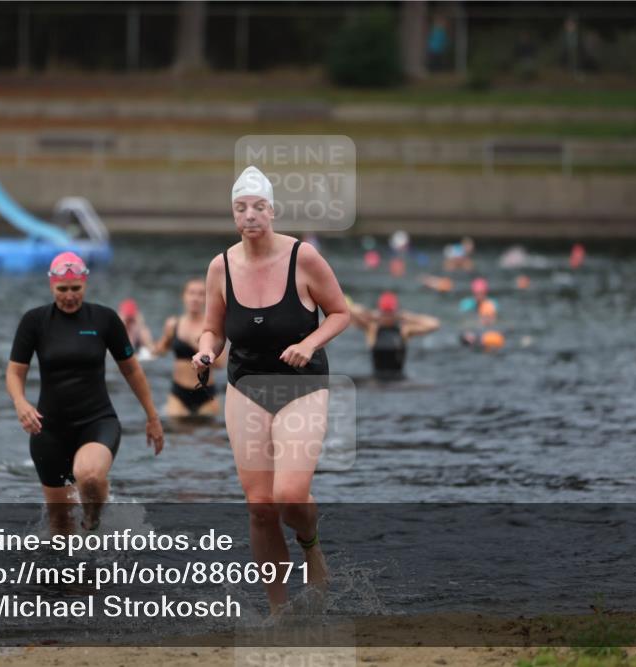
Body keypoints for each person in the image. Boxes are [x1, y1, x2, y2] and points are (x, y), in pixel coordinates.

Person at [194, 166, 350, 614]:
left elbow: (340, 313)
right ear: (233, 214)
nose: (250, 216)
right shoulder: (220, 266)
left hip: (301, 386)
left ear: (272, 211)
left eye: (258, 207)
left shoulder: (303, 257)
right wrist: (206, 352)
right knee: (260, 505)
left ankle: (311, 546)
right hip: (246, 386)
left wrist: (308, 343)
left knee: (290, 494)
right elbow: (212, 329)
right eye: (241, 209)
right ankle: (279, 612)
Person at [6, 252, 164, 533]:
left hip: (97, 421)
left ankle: (93, 522)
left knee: (88, 476)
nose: (69, 296)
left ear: (85, 285)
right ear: (51, 286)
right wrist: (20, 403)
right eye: (62, 289)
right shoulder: (34, 321)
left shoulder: (104, 319)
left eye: (75, 289)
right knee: (60, 524)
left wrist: (152, 416)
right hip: (48, 430)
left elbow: (132, 371)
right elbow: (15, 372)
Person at [153, 278, 226, 419]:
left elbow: (220, 364)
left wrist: (195, 344)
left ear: (206, 299)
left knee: (208, 435)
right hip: (179, 392)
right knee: (178, 435)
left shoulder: (212, 328)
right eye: (191, 293)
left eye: (200, 294)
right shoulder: (173, 324)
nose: (195, 298)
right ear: (184, 296)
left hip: (206, 393)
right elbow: (160, 350)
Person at [348, 291, 440, 379]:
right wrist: (370, 314)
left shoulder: (404, 330)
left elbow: (434, 324)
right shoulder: (372, 329)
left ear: (396, 312)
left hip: (399, 380)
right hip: (377, 380)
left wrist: (408, 317)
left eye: (390, 313)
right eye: (385, 313)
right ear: (380, 312)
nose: (388, 316)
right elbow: (351, 311)